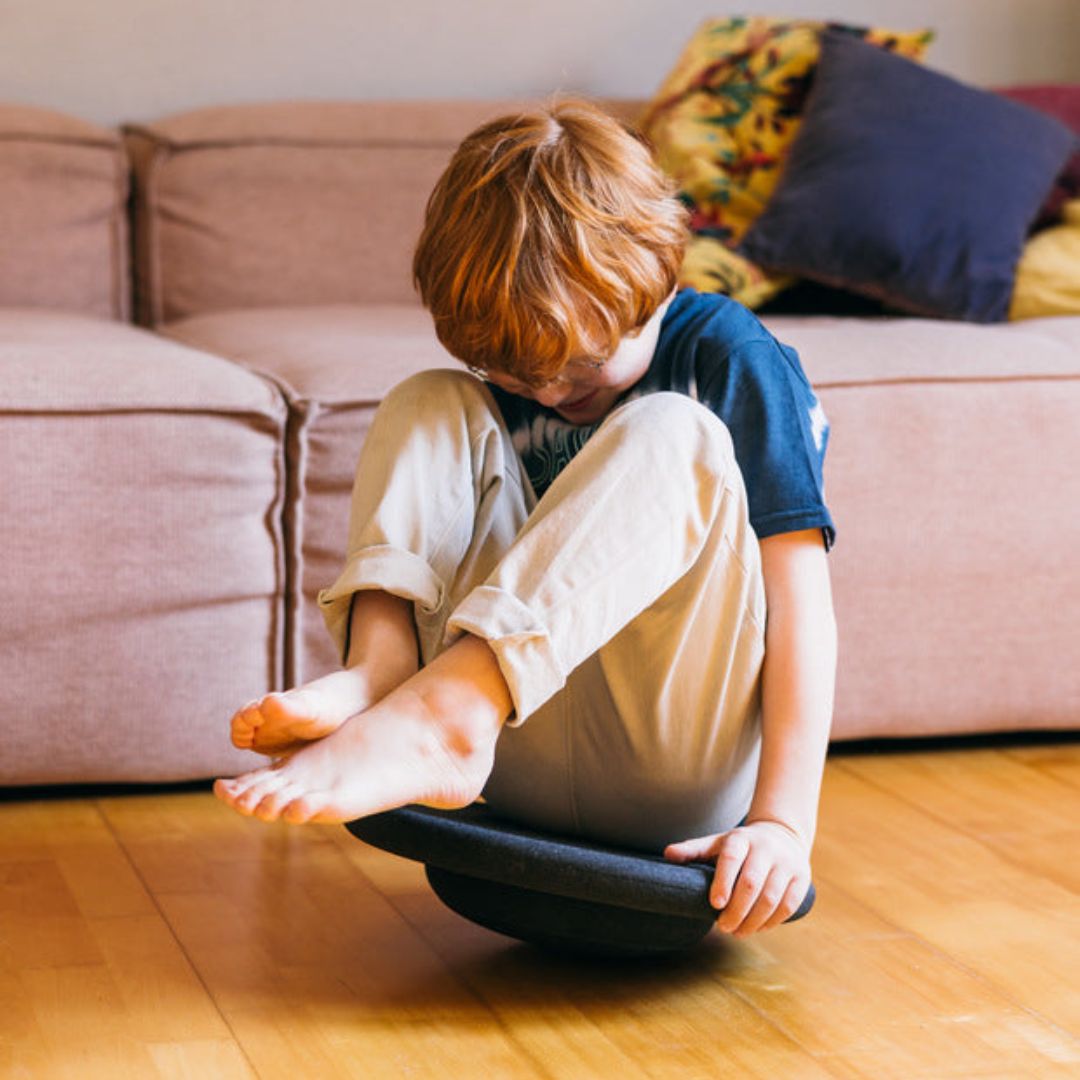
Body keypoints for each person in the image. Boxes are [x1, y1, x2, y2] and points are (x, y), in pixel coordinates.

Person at [214, 98, 837, 938]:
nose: (547, 392)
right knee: (430, 400)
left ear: (656, 277)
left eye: (578, 366)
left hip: (670, 760)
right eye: (512, 370)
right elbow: (486, 404)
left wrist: (783, 823)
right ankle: (387, 677)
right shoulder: (505, 379)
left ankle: (447, 715)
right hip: (512, 755)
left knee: (670, 431)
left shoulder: (732, 358)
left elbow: (801, 606)